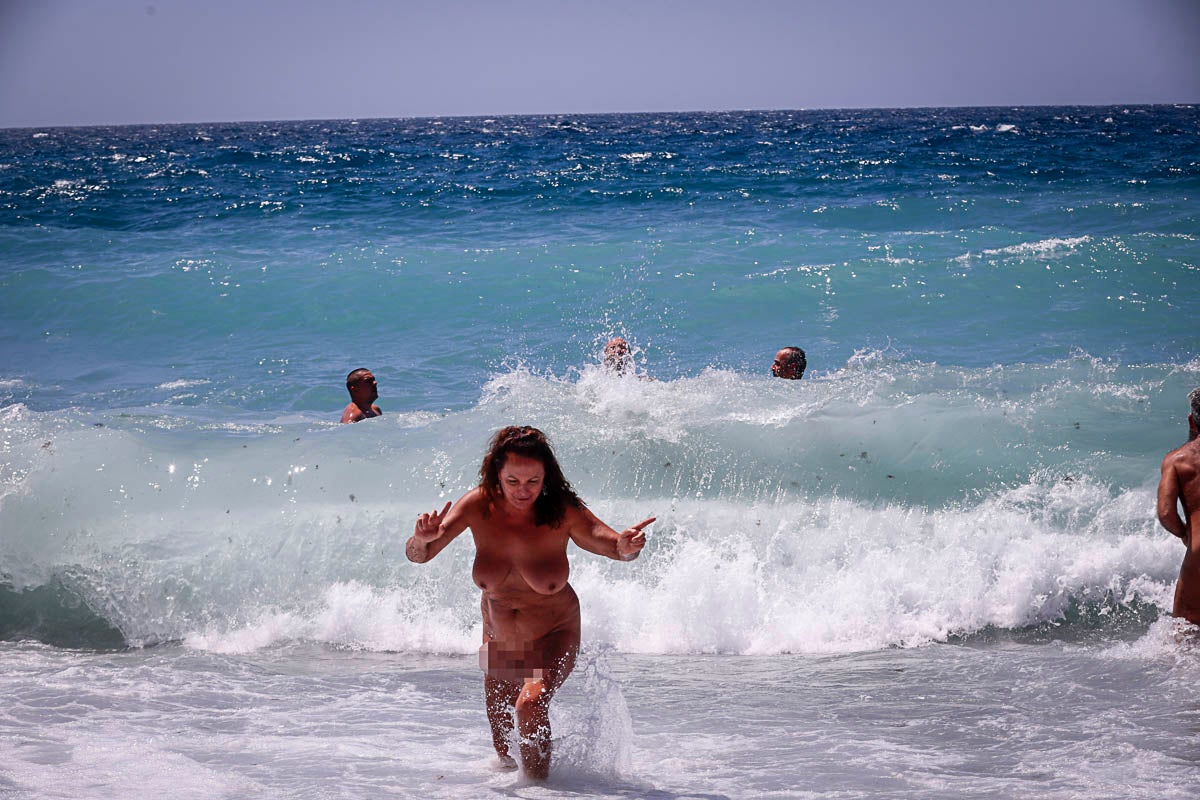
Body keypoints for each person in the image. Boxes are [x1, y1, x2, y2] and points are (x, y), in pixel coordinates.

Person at [407, 426, 653, 779]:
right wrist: (419, 538)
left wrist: (627, 548)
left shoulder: (561, 511)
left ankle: (539, 791)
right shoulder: (477, 505)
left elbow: (612, 544)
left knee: (530, 703)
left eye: (533, 481)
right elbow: (419, 555)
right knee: (503, 754)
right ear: (496, 476)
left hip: (554, 634)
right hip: (499, 639)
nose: (523, 491)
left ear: (546, 477)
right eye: (513, 481)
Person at [1157, 387, 1200, 625]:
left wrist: (1186, 534)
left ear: (1192, 420)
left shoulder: (1177, 460)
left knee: (1186, 630)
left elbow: (1165, 513)